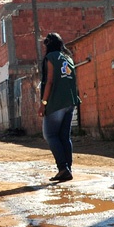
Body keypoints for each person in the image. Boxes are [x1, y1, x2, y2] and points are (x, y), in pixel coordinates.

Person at [37, 33, 80, 183]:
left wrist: (43, 103)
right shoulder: (68, 58)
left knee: (50, 135)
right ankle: (67, 169)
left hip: (56, 102)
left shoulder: (51, 58)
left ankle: (62, 168)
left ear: (48, 44)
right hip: (70, 102)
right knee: (64, 137)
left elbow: (49, 82)